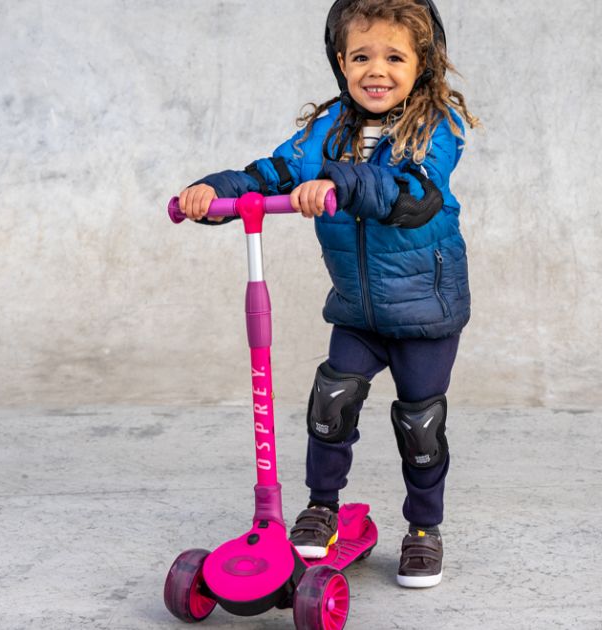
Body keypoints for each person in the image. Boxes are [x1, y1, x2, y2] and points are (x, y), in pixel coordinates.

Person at [177, 0, 479, 589]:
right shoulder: (327, 131)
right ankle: (321, 507)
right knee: (331, 404)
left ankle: (423, 529)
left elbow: (412, 192)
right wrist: (213, 193)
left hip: (425, 308)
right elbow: (273, 173)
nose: (377, 69)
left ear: (423, 64)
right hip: (357, 308)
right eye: (362, 56)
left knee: (420, 427)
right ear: (342, 62)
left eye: (395, 57)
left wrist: (338, 180)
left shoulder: (436, 127)